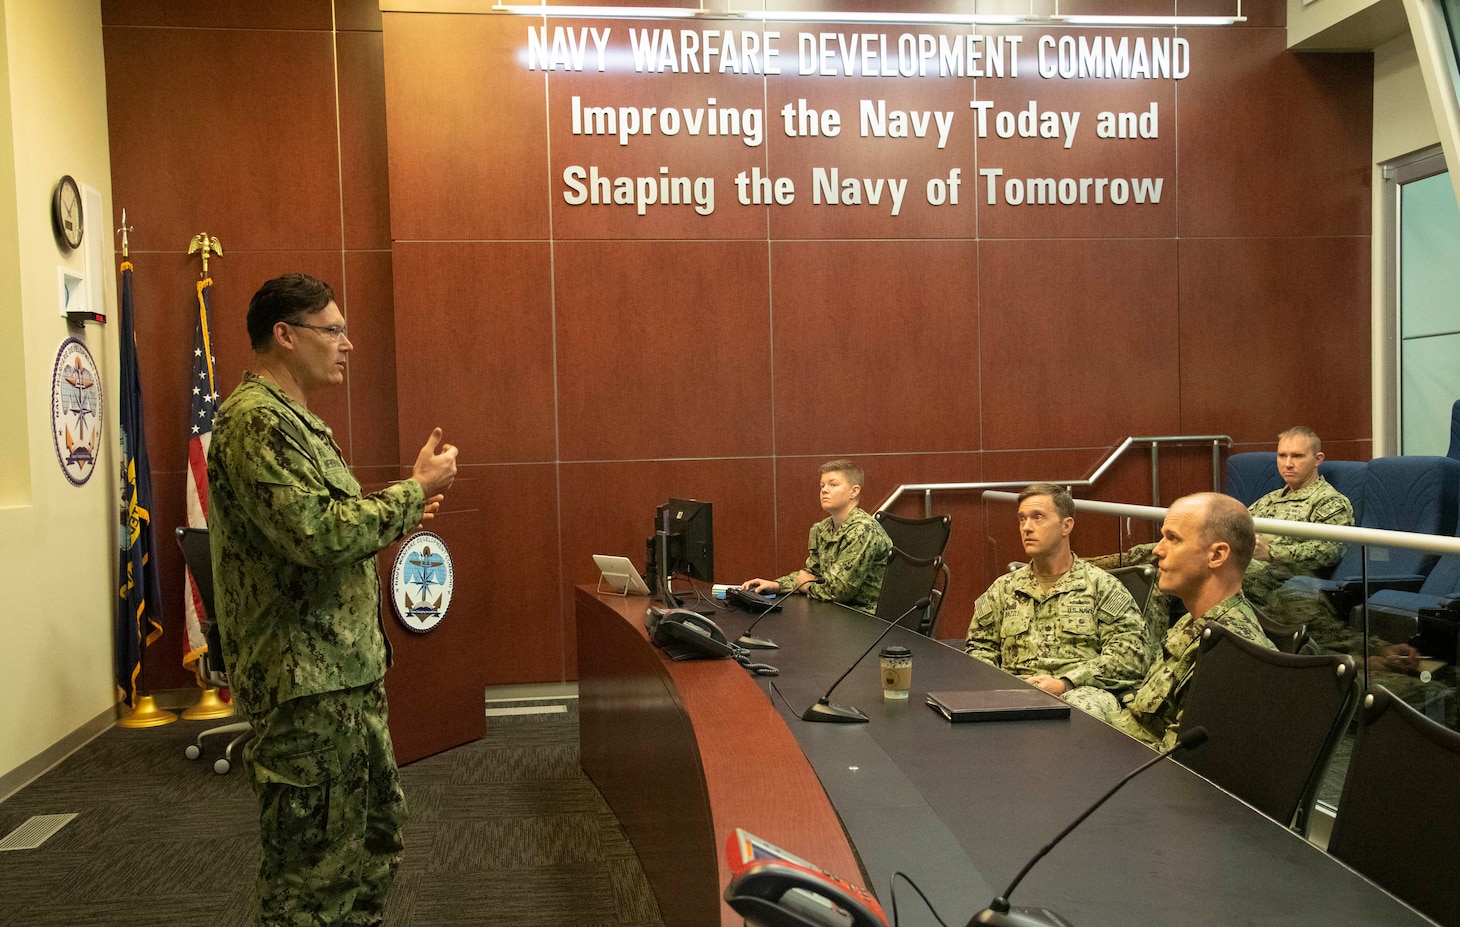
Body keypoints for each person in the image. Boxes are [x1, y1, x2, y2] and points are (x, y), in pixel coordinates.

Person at [208, 273, 459, 926]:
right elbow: (317, 534)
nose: (347, 344)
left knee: (370, 843)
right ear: (285, 335)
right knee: (312, 878)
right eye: (333, 330)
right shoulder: (254, 420)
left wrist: (404, 494)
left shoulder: (295, 422)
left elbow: (328, 516)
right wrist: (412, 491)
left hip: (341, 680)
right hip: (304, 688)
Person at [964, 483, 1152, 717]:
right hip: (1012, 692)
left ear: (1066, 525)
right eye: (1022, 519)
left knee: (1083, 713)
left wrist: (1066, 682)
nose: (1027, 527)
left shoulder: (1101, 587)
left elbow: (1130, 657)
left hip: (1081, 692)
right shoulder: (1003, 589)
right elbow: (979, 648)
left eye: (1038, 517)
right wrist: (1002, 686)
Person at [1104, 493, 1275, 749]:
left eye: (1173, 539)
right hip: (1121, 745)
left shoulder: (1227, 652)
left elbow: (1177, 769)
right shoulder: (1192, 620)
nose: (1157, 550)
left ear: (1216, 555)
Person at [741, 458, 893, 613]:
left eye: (833, 484)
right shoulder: (823, 528)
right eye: (822, 485)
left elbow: (839, 592)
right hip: (834, 611)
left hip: (865, 617)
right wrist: (777, 585)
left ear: (854, 491)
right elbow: (812, 573)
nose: (824, 490)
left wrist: (807, 585)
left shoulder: (864, 530)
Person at [1244, 426, 1354, 606]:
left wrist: (1271, 553)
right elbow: (1237, 526)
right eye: (1282, 456)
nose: (1287, 463)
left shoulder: (1329, 501)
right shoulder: (1270, 499)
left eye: (1297, 456)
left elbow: (1330, 550)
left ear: (1317, 459)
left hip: (1289, 577)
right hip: (1251, 568)